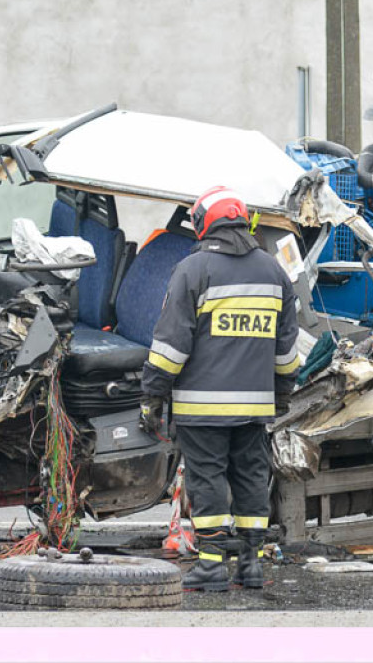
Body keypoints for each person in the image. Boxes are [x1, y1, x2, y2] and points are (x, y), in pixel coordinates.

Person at [140, 186, 300, 592]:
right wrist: (282, 393)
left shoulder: (193, 270)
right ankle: (250, 564)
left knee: (207, 478)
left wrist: (152, 395)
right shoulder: (272, 271)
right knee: (250, 476)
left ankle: (211, 565)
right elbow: (286, 348)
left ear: (202, 223)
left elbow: (171, 346)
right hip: (256, 407)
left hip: (202, 407)